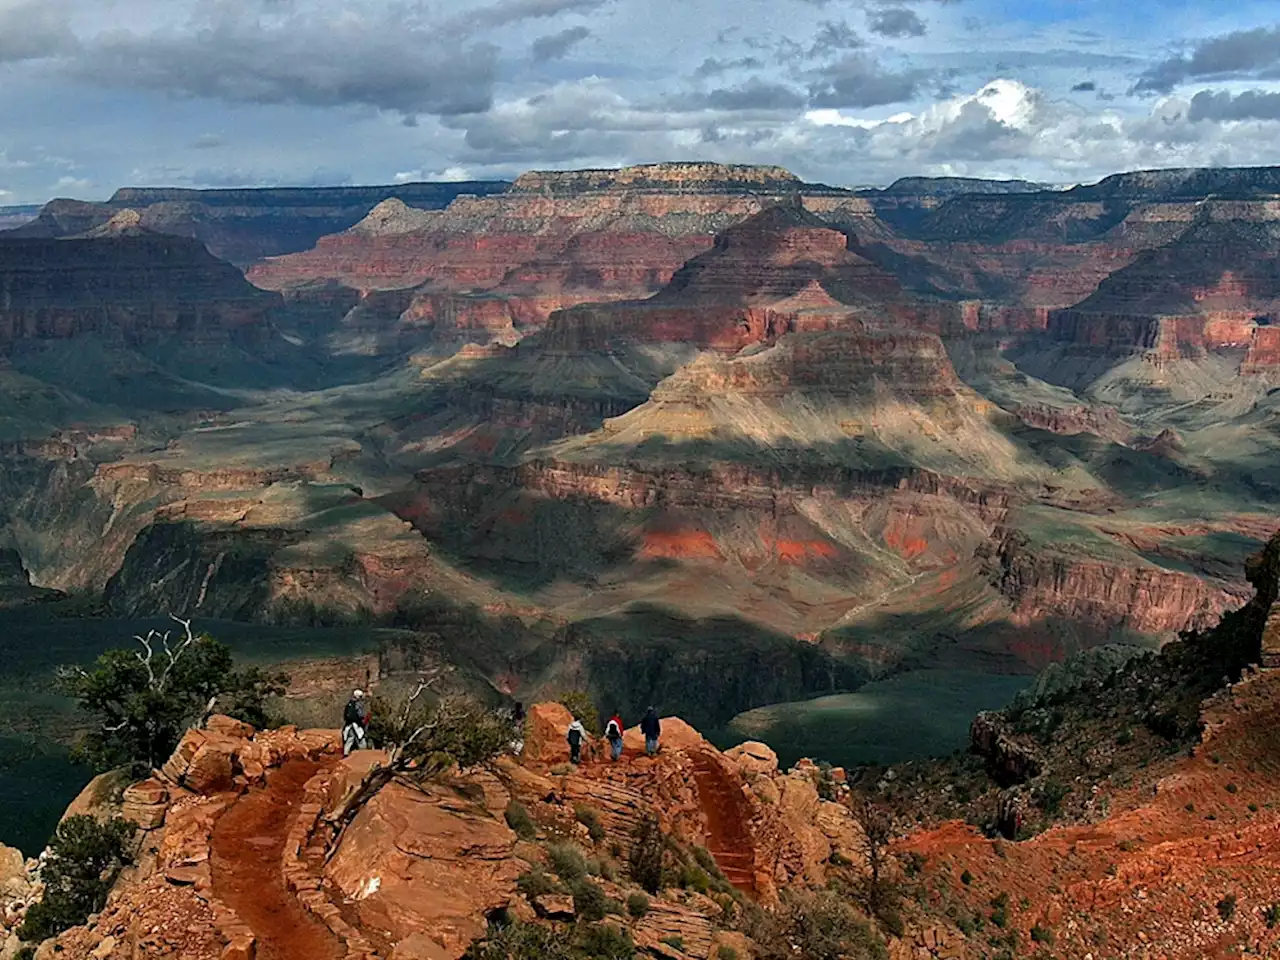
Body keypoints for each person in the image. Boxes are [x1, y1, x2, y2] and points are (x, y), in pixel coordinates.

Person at [342, 689, 370, 757]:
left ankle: (346, 753)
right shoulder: (357, 704)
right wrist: (363, 720)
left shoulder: (349, 704)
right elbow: (360, 715)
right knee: (361, 738)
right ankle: (363, 753)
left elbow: (345, 715)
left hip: (348, 725)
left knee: (350, 739)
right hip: (356, 725)